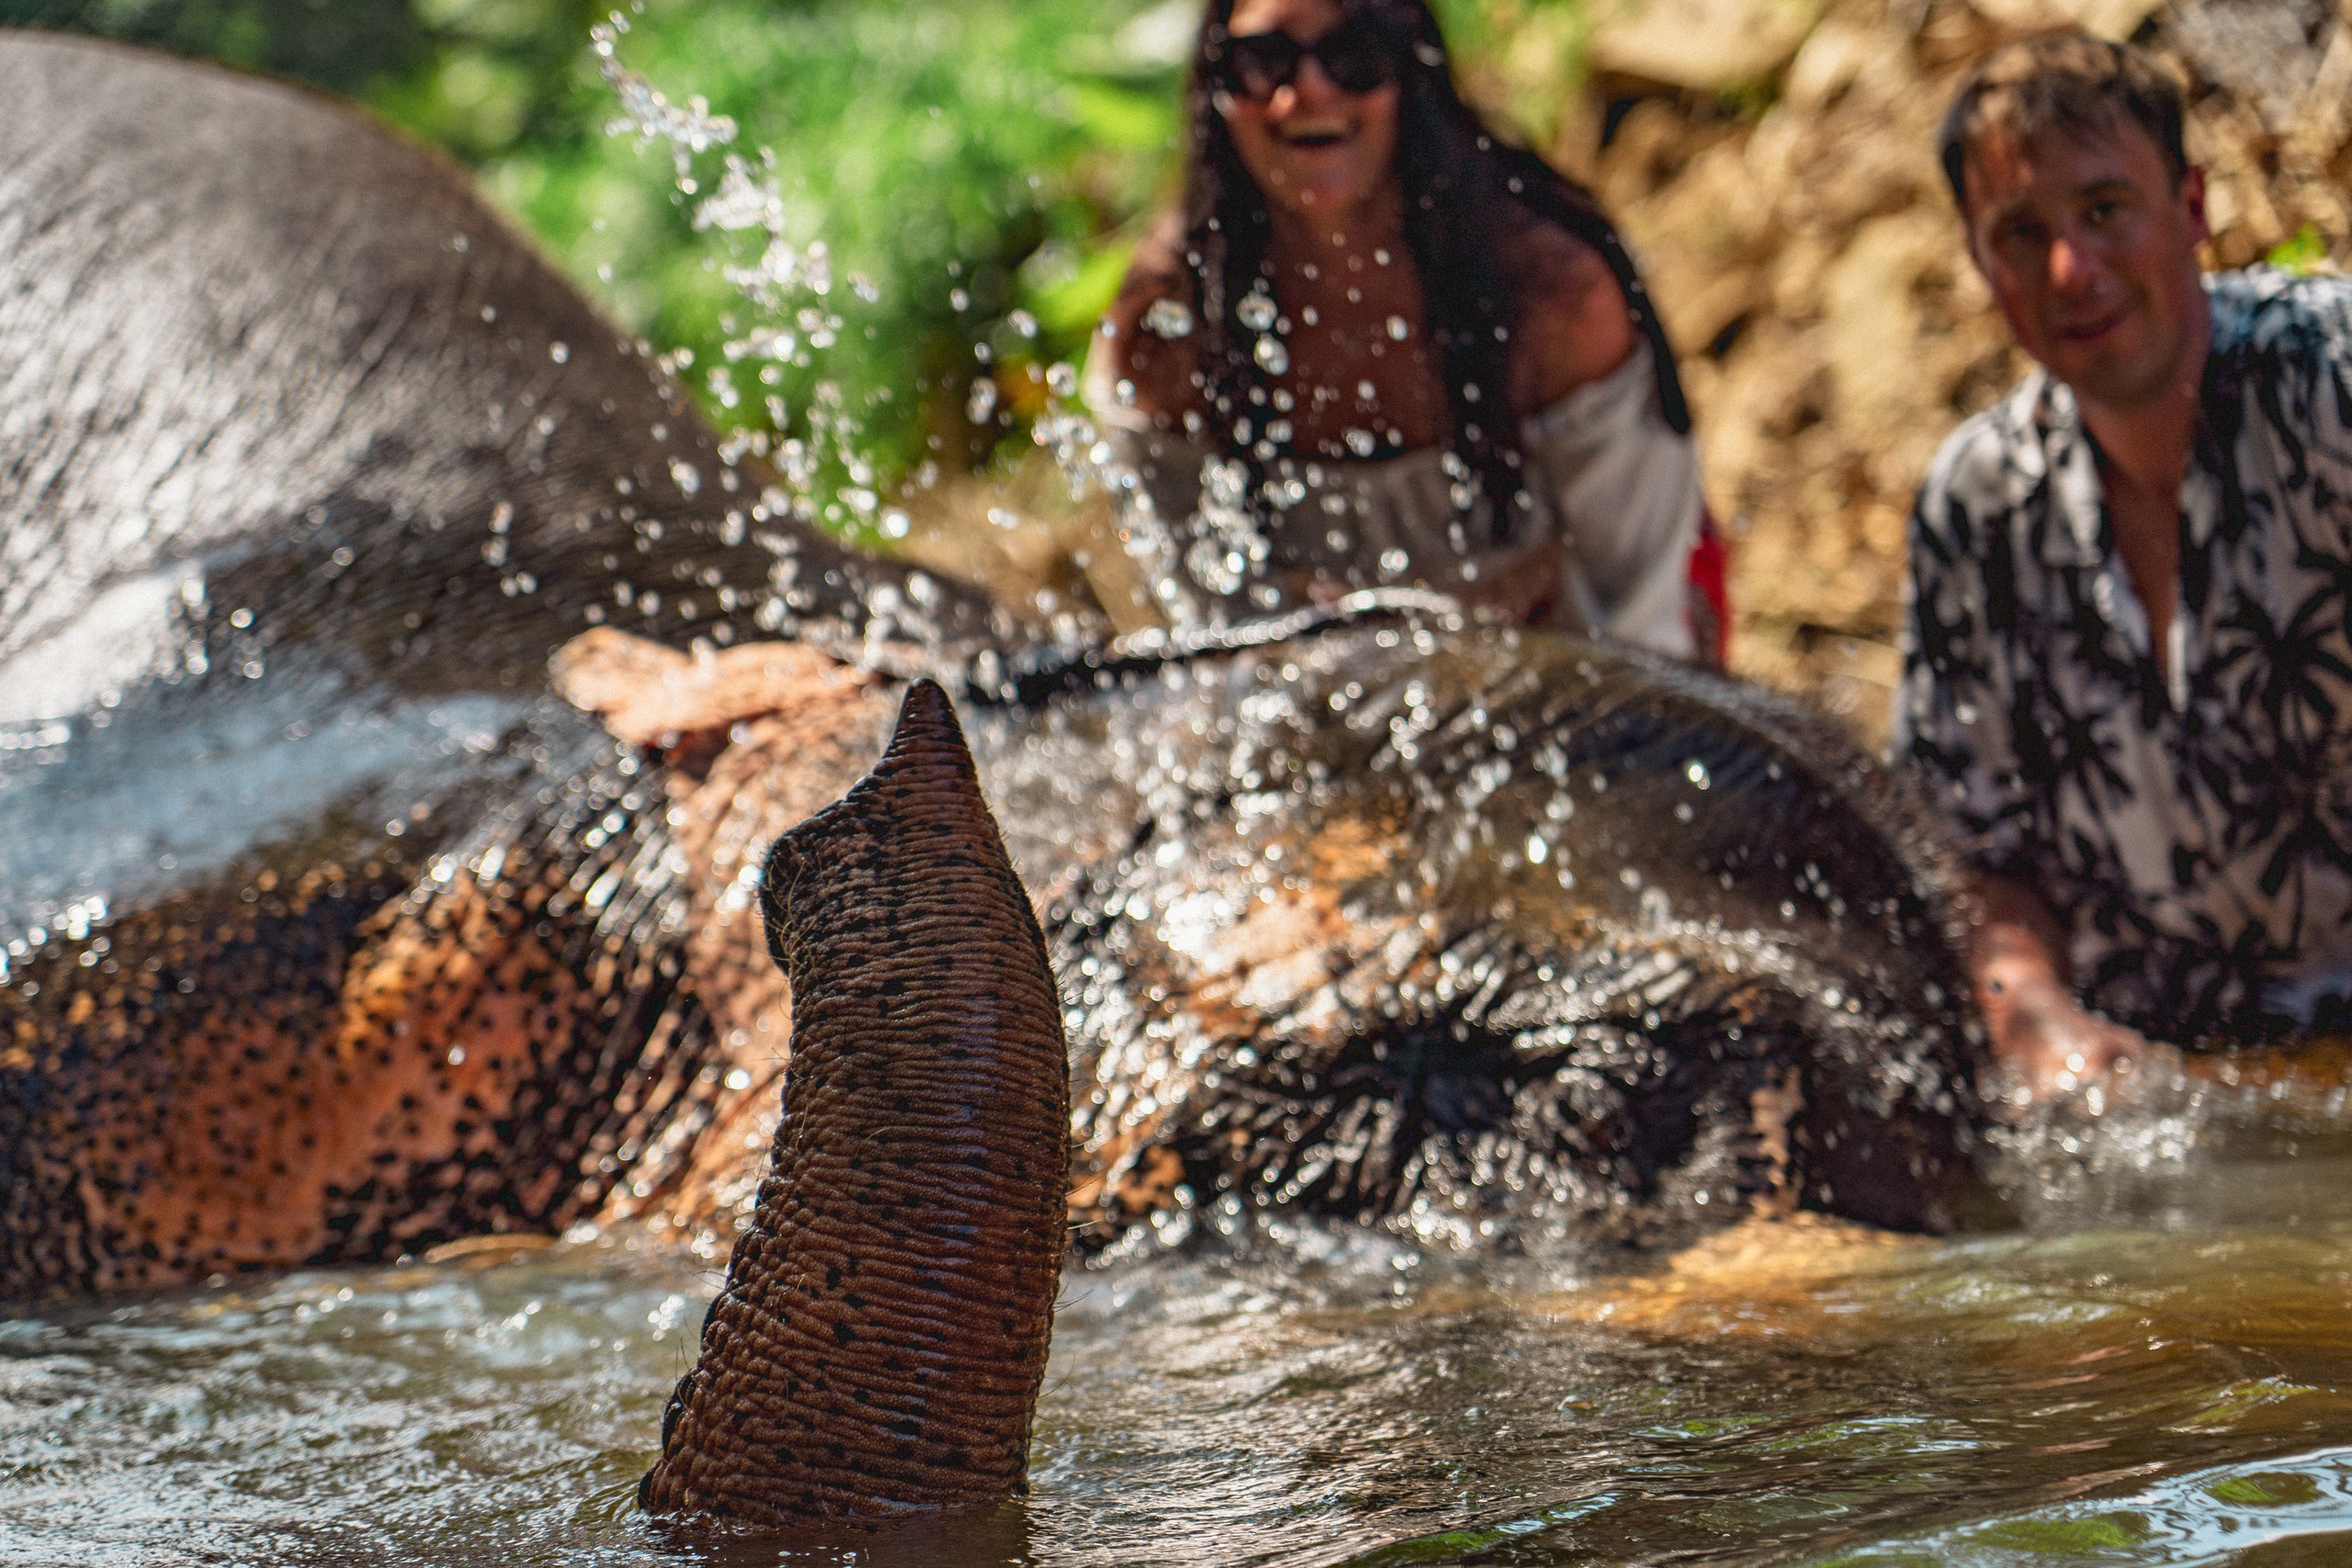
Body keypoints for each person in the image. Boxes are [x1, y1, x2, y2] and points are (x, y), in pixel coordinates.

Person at [1894, 32, 2352, 1095]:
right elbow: (1973, 865)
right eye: (2022, 233)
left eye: (2104, 211)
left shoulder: (2330, 386)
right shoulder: (1976, 507)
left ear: (2190, 208)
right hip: (2168, 1098)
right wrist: (2037, 1023)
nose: (2071, 271)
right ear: (1979, 262)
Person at [1084, 0, 1725, 663]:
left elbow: (1643, 619)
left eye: (1353, 56)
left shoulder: (1549, 296)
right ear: (1216, 83)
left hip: (1580, 675)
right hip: (1323, 701)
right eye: (1264, 60)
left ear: (1408, 73)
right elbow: (1211, 633)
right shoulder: (1166, 329)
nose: (1308, 90)